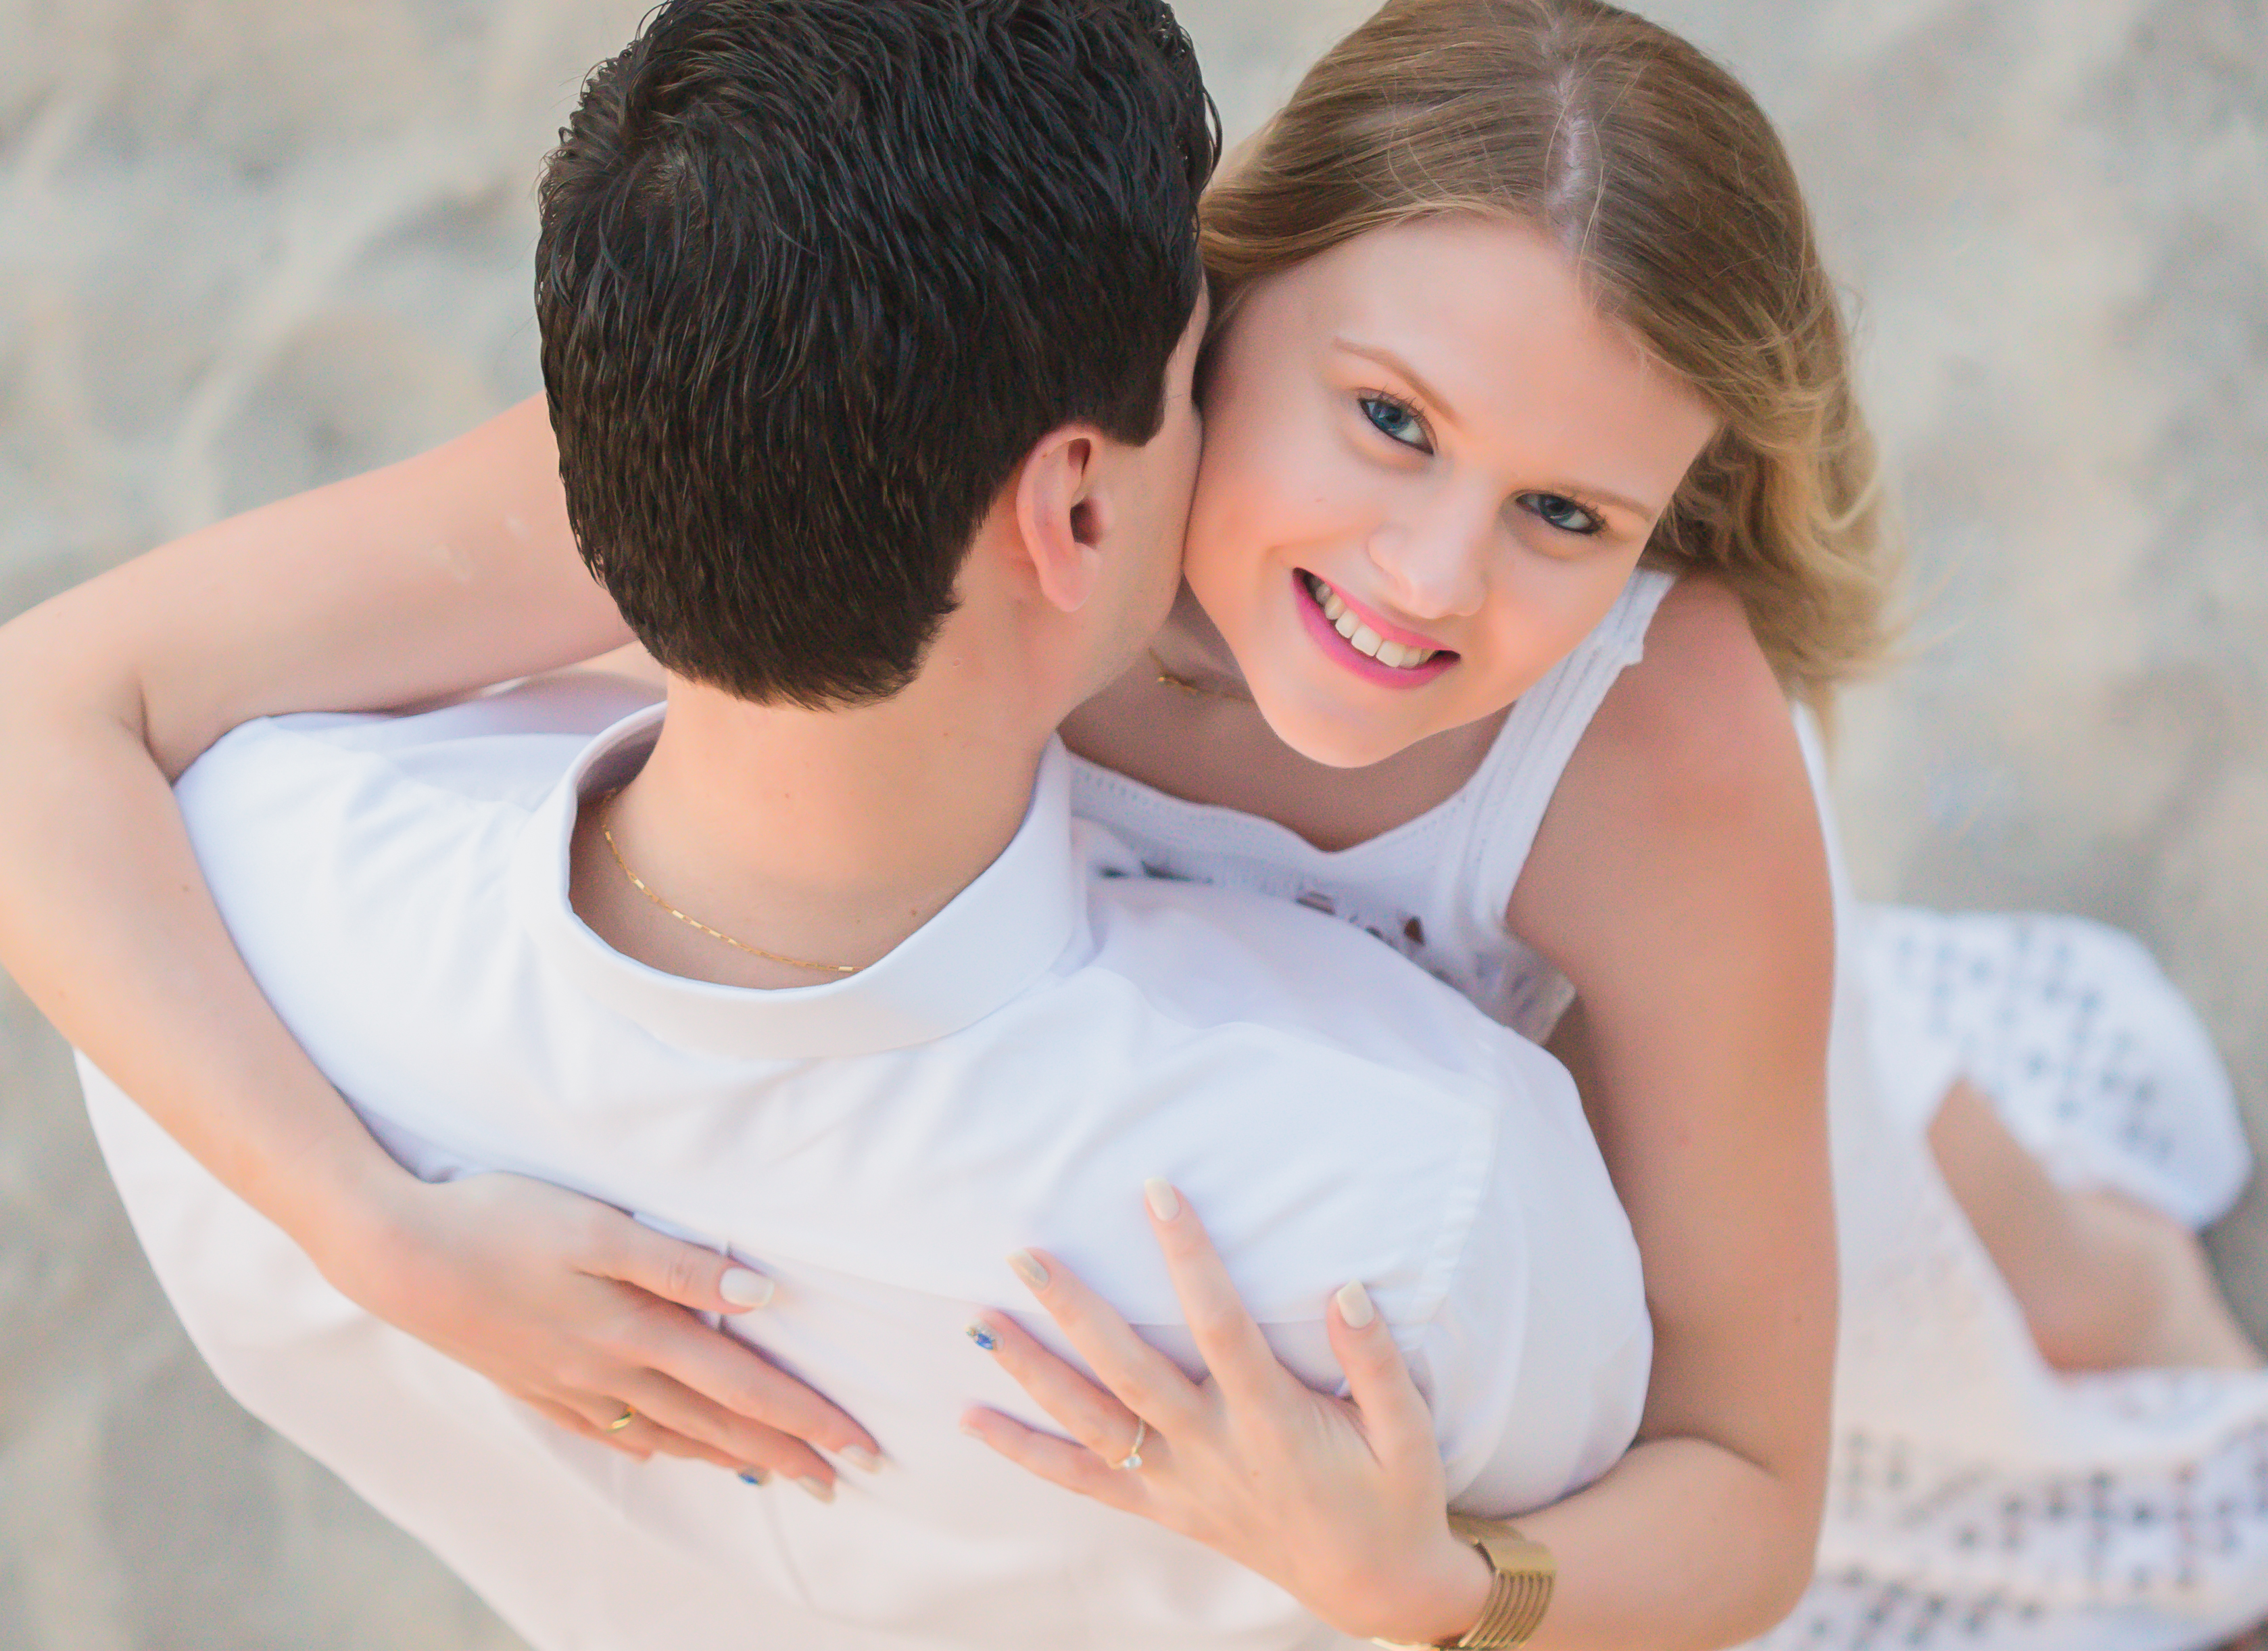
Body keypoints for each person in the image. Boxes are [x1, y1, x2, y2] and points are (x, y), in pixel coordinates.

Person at [3, 0, 2264, 1647]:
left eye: (1565, 511)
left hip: (1670, 1064)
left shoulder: (1662, 743)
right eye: (1387, 417)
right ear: (1218, 295)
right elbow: (38, 714)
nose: (1429, 583)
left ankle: (2108, 1269)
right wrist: (364, 1229)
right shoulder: (920, 435)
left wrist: (1456, 1585)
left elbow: (1750, 1494)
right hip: (1331, 1096)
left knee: (2014, 1286)